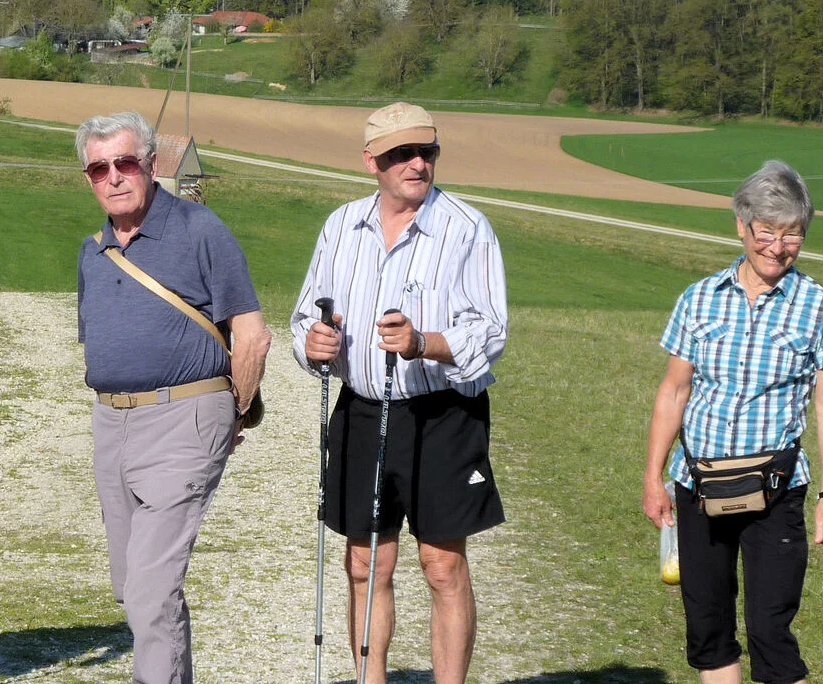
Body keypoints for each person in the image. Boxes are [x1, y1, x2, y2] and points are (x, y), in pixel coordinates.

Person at [291, 102, 508, 683]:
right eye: (400, 154)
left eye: (426, 151)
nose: (417, 163)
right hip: (362, 409)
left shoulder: (466, 227)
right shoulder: (341, 226)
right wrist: (311, 343)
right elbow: (304, 316)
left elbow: (490, 332)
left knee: (441, 565)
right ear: (371, 162)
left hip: (443, 414)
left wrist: (424, 343)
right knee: (365, 562)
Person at [75, 111, 271, 684]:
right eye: (99, 168)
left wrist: (230, 415)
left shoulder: (199, 229)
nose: (114, 177)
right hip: (112, 423)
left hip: (186, 417)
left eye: (126, 162)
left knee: (151, 588)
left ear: (152, 164)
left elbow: (252, 334)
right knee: (135, 586)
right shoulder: (93, 251)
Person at [642, 160, 823, 684]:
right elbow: (674, 390)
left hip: (776, 491)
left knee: (771, 633)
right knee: (708, 632)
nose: (778, 247)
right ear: (742, 226)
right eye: (767, 232)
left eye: (793, 235)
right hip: (697, 485)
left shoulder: (821, 307)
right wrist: (653, 477)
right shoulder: (698, 298)